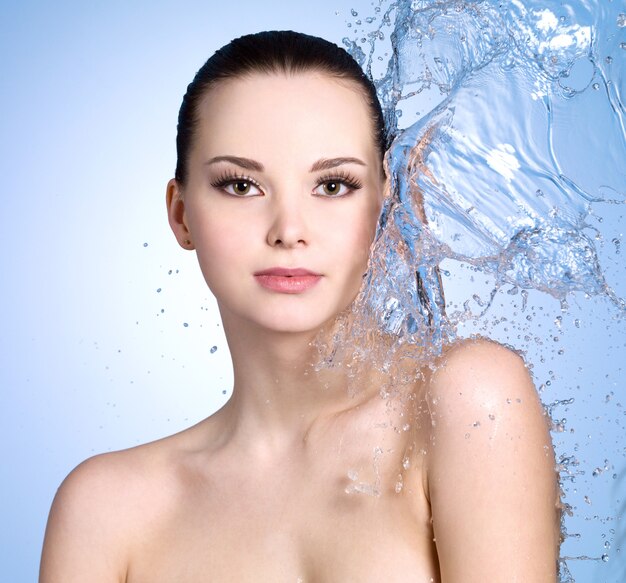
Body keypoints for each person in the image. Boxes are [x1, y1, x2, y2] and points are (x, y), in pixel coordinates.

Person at [40, 30, 560, 582]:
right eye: (241, 186)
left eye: (333, 185)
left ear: (391, 199)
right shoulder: (104, 511)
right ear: (181, 214)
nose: (289, 230)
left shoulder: (466, 400)